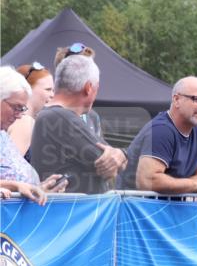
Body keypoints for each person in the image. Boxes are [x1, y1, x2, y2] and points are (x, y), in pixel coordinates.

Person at [118, 77, 197, 194]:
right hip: (136, 214)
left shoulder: (195, 129)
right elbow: (147, 182)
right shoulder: (161, 130)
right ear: (176, 99)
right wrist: (195, 183)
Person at [30, 55, 128, 193]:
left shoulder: (56, 116)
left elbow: (113, 159)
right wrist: (122, 154)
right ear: (88, 88)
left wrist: (120, 155)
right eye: (96, 88)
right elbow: (108, 160)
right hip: (72, 211)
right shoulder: (58, 117)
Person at [0, 67, 59, 204]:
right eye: (16, 107)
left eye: (22, 108)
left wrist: (38, 189)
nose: (20, 114)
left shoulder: (3, 134)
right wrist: (15, 186)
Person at [7, 62, 54, 158]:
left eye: (53, 90)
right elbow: (11, 166)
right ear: (28, 89)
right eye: (48, 89)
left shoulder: (20, 120)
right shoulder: (24, 122)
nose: (52, 95)